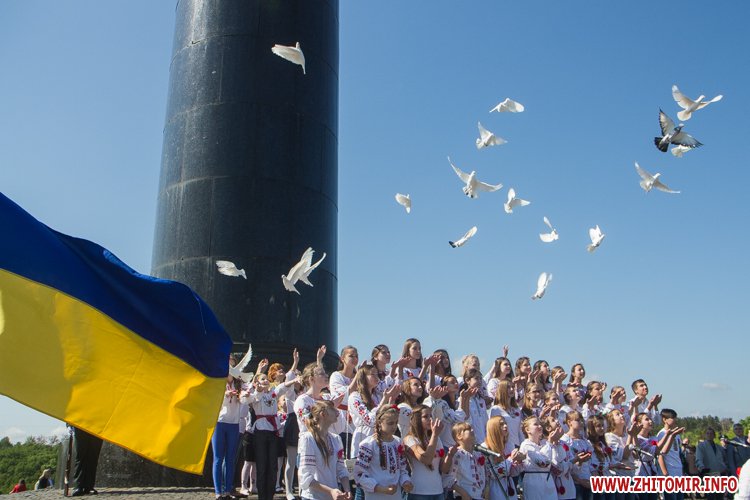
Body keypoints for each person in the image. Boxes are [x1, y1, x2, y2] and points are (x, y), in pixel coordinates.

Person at [353, 405, 413, 500]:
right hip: (375, 496)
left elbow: (402, 469)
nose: (394, 426)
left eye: (396, 422)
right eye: (390, 423)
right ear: (379, 423)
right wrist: (381, 489)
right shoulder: (368, 444)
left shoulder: (397, 442)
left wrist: (406, 482)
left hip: (395, 496)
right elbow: (359, 474)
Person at [297, 400, 352, 500]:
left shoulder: (336, 439)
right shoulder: (308, 439)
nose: (337, 412)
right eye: (332, 409)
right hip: (313, 497)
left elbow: (341, 469)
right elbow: (305, 476)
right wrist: (330, 491)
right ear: (323, 414)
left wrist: (347, 489)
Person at [402, 404, 451, 500]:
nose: (430, 419)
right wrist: (435, 435)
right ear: (416, 420)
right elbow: (426, 460)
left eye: (431, 416)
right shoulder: (410, 439)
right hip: (419, 491)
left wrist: (450, 455)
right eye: (425, 417)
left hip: (438, 491)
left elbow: (444, 469)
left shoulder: (436, 439)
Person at [519, 415, 562, 500]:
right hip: (534, 482)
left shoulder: (544, 443)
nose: (540, 426)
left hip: (548, 481)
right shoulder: (526, 445)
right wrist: (550, 442)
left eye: (540, 424)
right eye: (536, 424)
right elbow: (542, 463)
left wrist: (556, 441)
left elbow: (556, 461)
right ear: (527, 430)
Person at [483, 416, 524, 500]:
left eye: (505, 423)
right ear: (493, 428)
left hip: (509, 484)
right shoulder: (485, 447)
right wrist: (510, 459)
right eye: (501, 424)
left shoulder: (509, 444)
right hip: (495, 487)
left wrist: (518, 462)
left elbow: (512, 473)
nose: (505, 426)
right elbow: (493, 474)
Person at [449, 421, 487, 500]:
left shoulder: (477, 454)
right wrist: (463, 493)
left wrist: (485, 487)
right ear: (459, 436)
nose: (472, 430)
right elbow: (449, 478)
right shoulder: (457, 454)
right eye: (468, 429)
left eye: (472, 428)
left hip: (479, 496)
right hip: (465, 497)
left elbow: (483, 473)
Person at [655, 409, 685, 500]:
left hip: (678, 471)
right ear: (664, 419)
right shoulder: (662, 434)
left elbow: (677, 453)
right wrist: (665, 474)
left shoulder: (677, 434)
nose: (675, 420)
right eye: (672, 418)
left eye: (675, 417)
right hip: (669, 473)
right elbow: (660, 455)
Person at [695, 427, 728, 500]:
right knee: (711, 496)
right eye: (707, 433)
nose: (709, 435)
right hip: (709, 473)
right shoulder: (701, 446)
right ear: (705, 435)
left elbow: (725, 459)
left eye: (711, 433)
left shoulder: (719, 447)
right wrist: (701, 467)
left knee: (720, 496)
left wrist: (725, 467)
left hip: (720, 474)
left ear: (714, 435)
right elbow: (698, 459)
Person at [70, 426, 103, 497]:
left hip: (97, 426)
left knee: (93, 457)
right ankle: (78, 486)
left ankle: (89, 486)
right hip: (81, 426)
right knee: (80, 456)